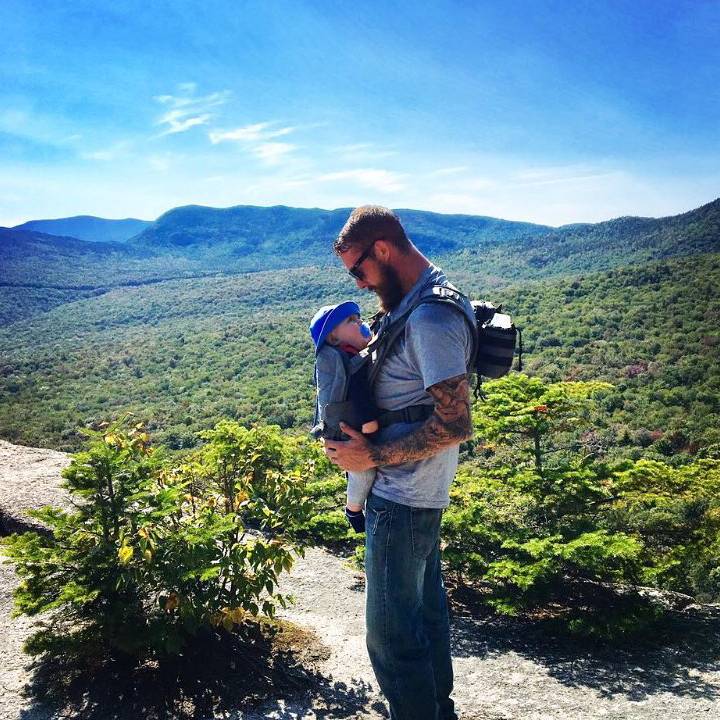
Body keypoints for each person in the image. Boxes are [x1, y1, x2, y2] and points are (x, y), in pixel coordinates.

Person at [324, 205, 474, 720]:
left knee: (390, 636)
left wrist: (370, 455)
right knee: (424, 617)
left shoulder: (431, 317)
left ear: (383, 249)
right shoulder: (414, 302)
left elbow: (455, 424)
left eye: (358, 270)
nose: (359, 284)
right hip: (415, 495)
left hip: (403, 496)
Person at [310, 301, 379, 532]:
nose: (360, 323)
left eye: (359, 318)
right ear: (333, 338)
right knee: (364, 471)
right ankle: (353, 509)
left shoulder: (342, 357)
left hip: (343, 426)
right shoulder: (353, 360)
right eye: (351, 320)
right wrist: (370, 423)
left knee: (357, 470)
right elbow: (359, 393)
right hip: (354, 428)